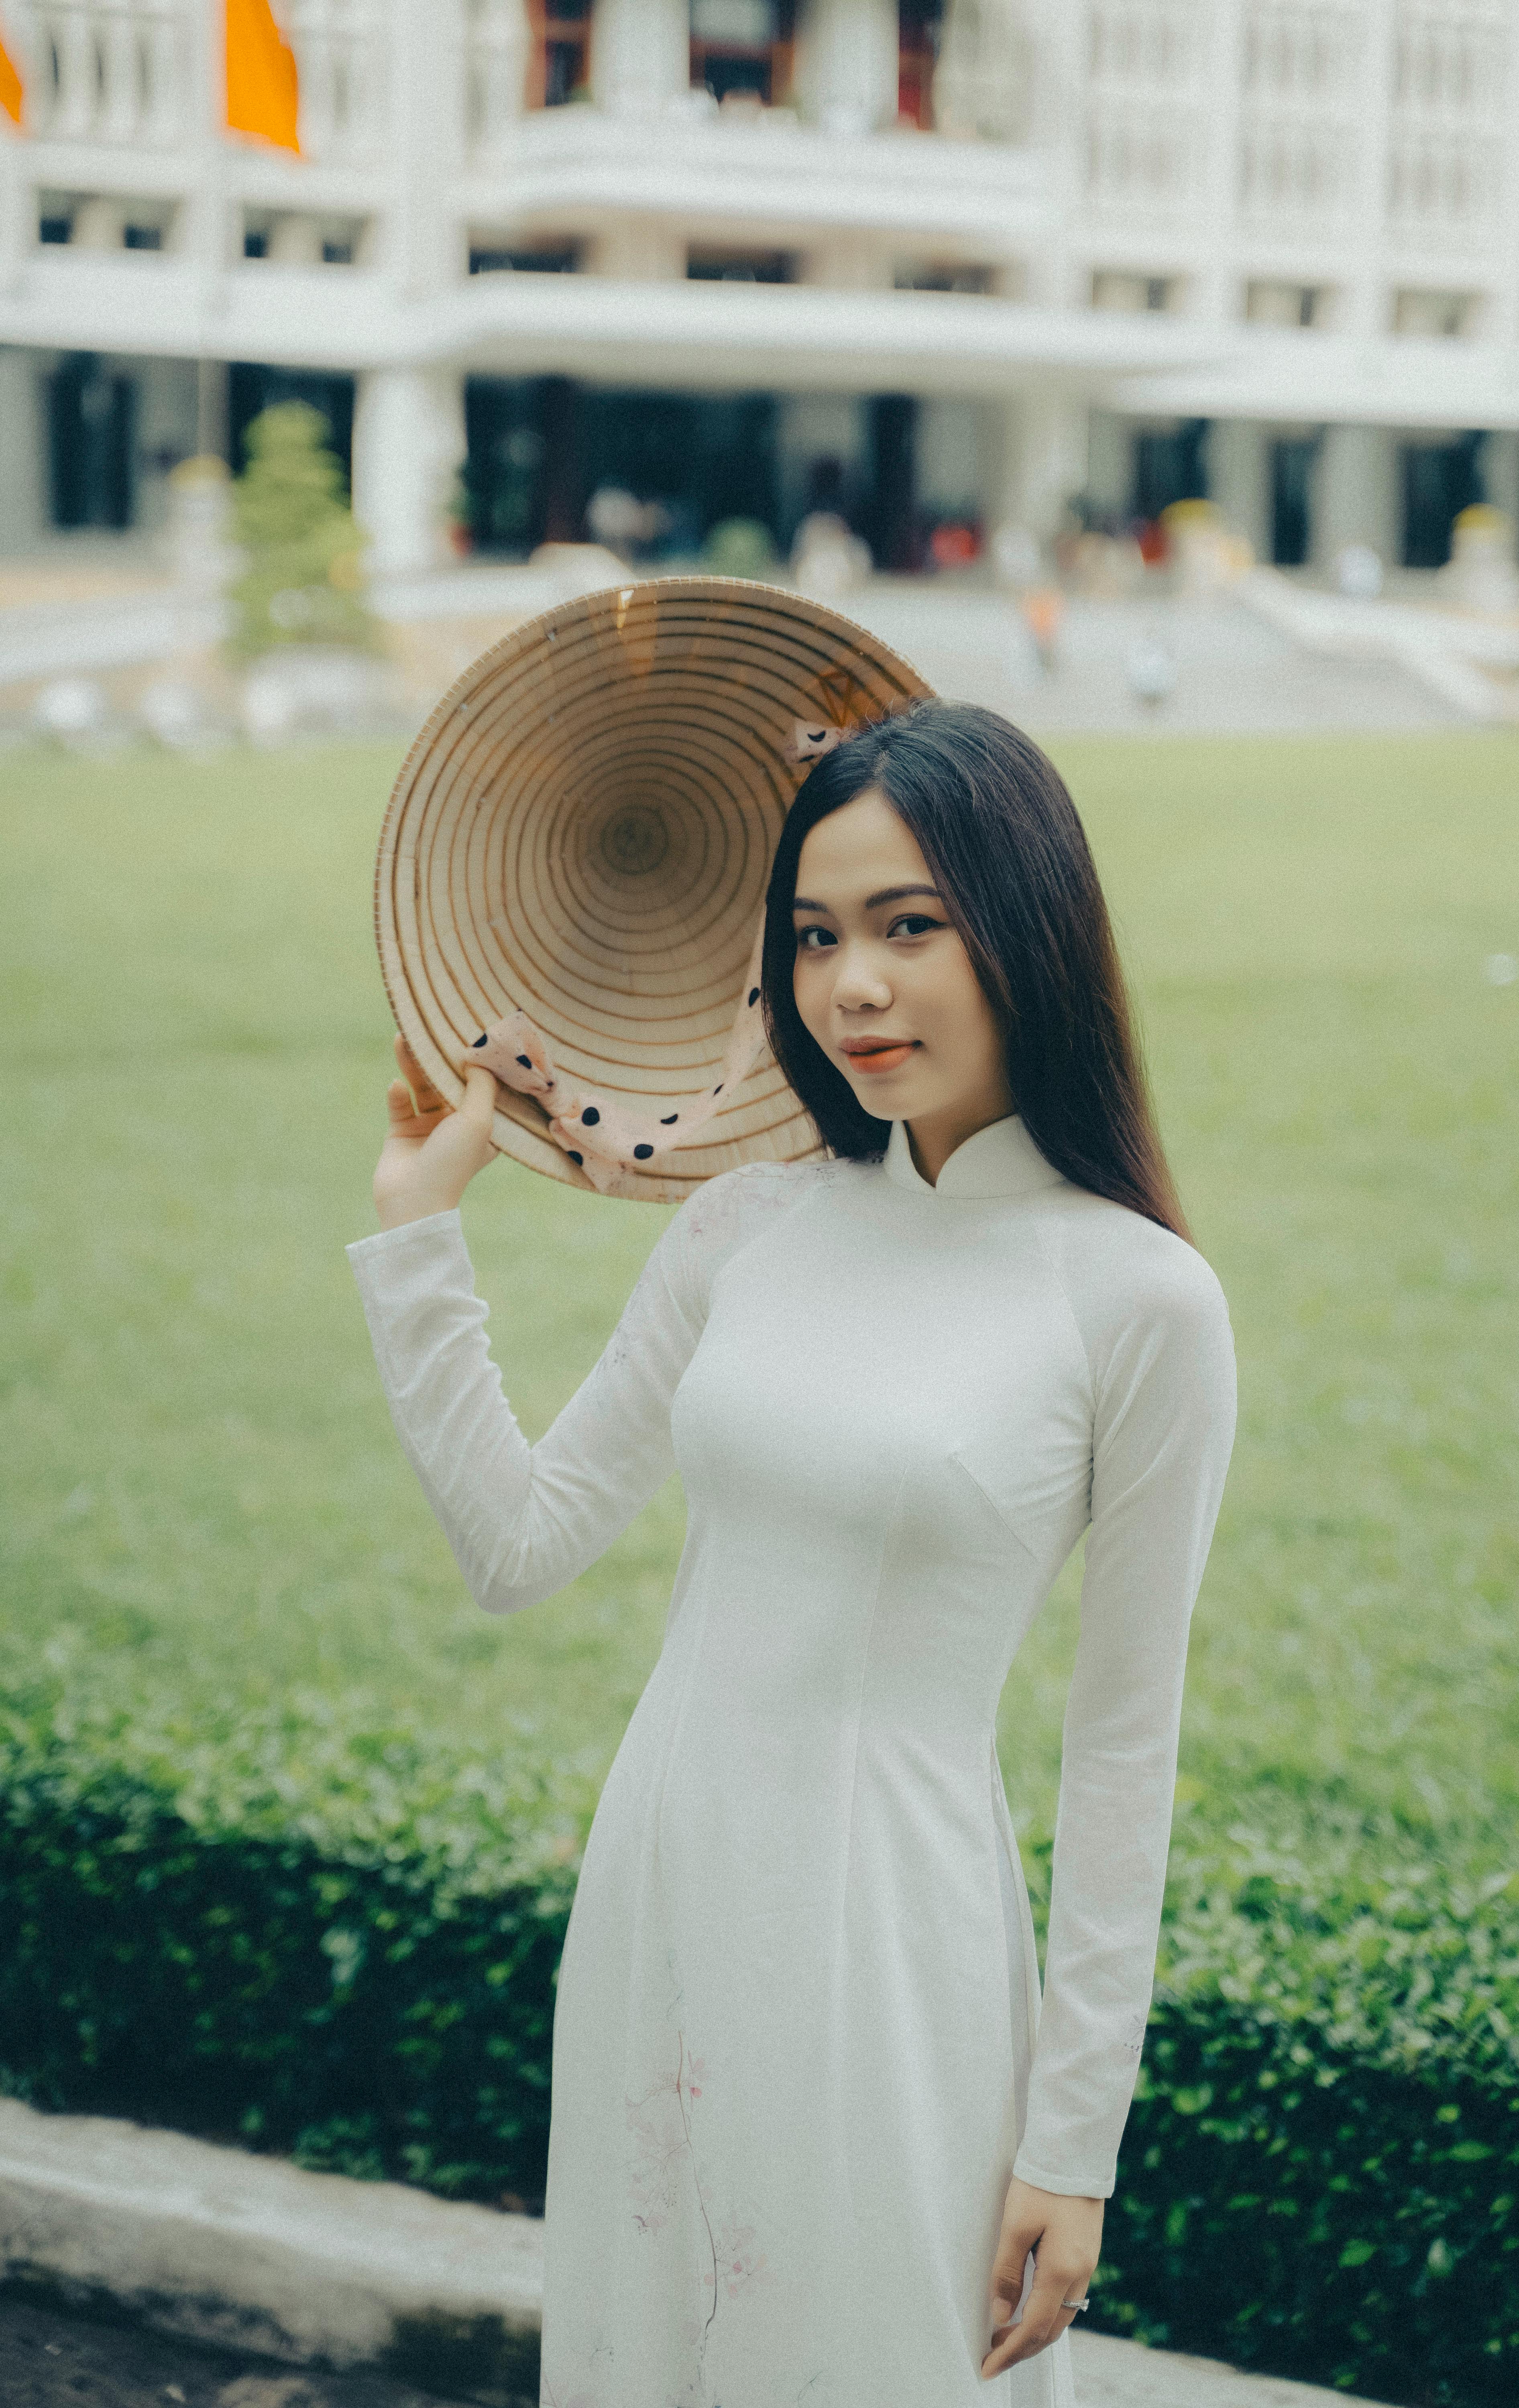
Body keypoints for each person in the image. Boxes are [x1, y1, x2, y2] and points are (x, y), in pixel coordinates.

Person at [348, 699, 1237, 2407]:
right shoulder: (746, 1225)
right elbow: (521, 1546)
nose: (854, 988)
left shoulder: (1136, 1301)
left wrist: (1076, 2145)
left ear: (1028, 924)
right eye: (816, 937)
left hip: (889, 1940)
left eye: (911, 927)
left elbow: (1125, 1746)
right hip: (664, 1898)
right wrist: (418, 1236)